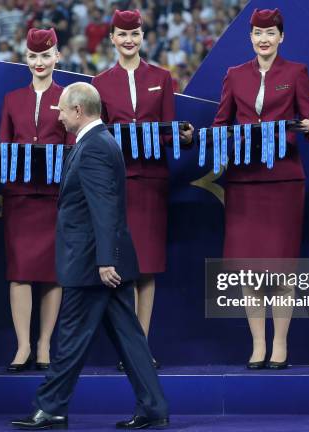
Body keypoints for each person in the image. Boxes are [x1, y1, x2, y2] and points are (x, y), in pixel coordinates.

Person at [11, 82, 168, 430]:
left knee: (69, 338)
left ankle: (50, 406)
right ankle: (154, 408)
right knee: (130, 338)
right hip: (101, 262)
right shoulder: (98, 142)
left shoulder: (94, 146)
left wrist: (105, 259)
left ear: (79, 111)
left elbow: (105, 207)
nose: (60, 116)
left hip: (94, 266)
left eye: (62, 110)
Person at [212, 8, 309, 369]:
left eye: (270, 33)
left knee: (280, 266)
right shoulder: (234, 75)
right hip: (244, 181)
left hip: (284, 180)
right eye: (258, 33)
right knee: (248, 268)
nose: (264, 39)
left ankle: (280, 344)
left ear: (281, 37)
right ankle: (258, 344)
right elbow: (221, 122)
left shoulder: (296, 72)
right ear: (250, 37)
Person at [91, 10, 193, 370]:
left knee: (147, 267)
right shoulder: (99, 82)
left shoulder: (162, 78)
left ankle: (141, 347)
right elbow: (96, 137)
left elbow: (167, 132)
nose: (128, 39)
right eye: (122, 34)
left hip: (151, 183)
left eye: (134, 33)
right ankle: (128, 346)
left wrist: (182, 136)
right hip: (117, 186)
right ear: (113, 39)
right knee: (123, 269)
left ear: (143, 37)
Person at [0, 28, 73, 372]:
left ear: (57, 56)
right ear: (25, 59)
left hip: (55, 198)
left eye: (45, 55)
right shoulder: (12, 99)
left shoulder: (70, 96)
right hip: (21, 197)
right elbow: (4, 149)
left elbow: (75, 147)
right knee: (20, 273)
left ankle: (44, 345)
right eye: (33, 56)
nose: (39, 62)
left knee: (52, 273)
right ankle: (22, 345)